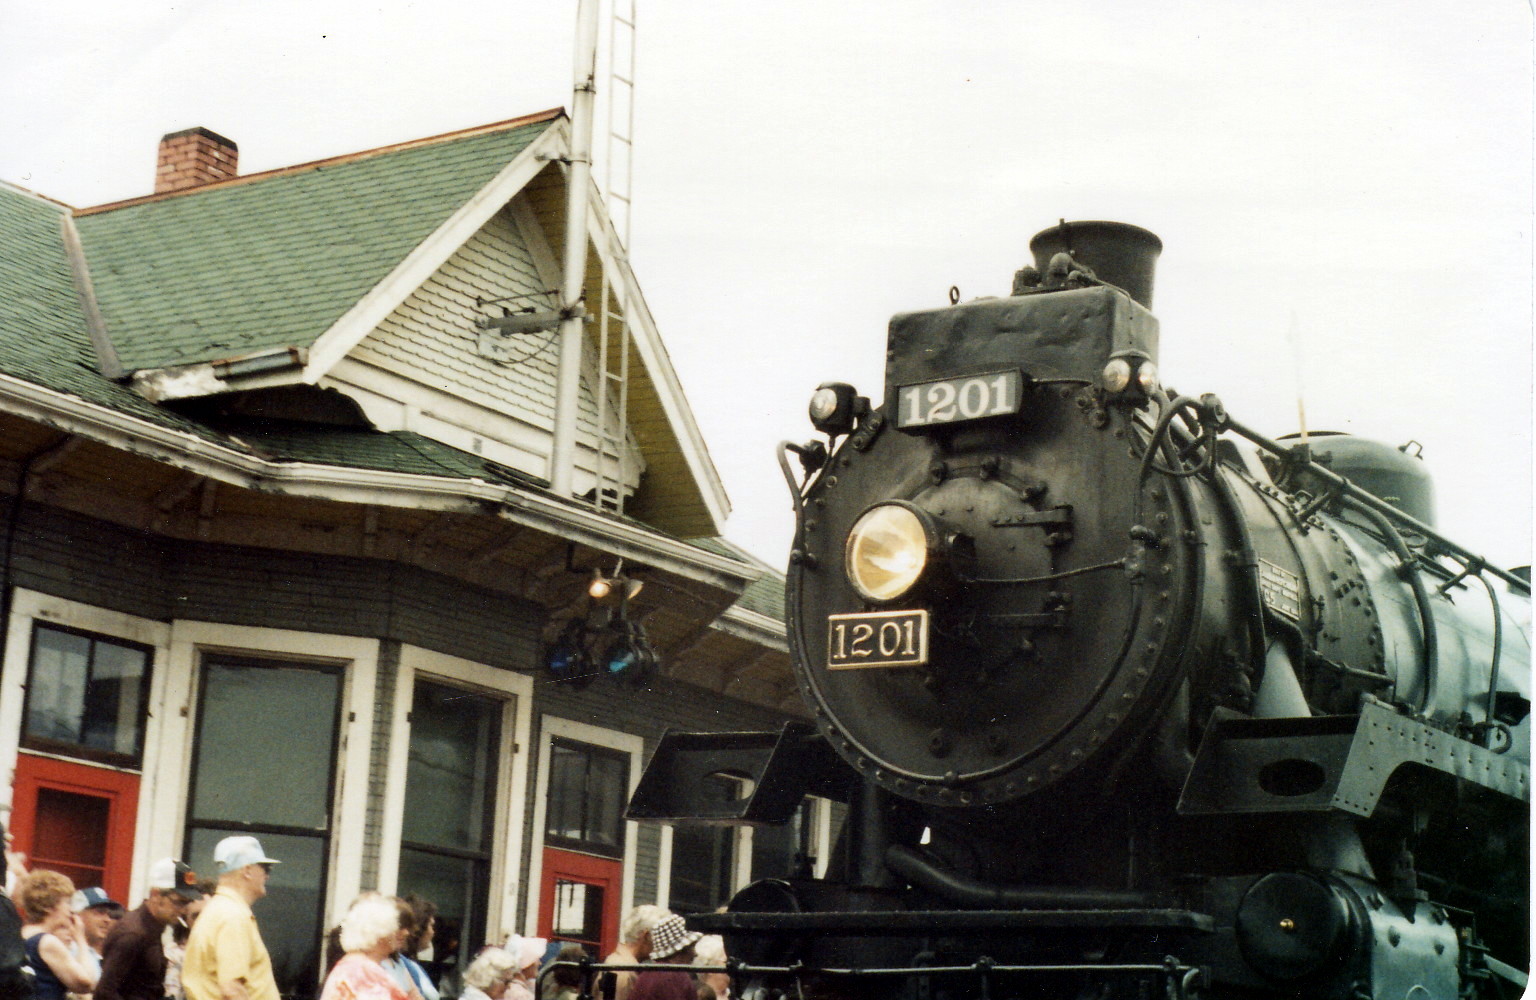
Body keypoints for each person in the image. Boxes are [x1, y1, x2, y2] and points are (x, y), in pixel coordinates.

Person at [180, 835, 281, 1000]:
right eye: (266, 868)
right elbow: (232, 989)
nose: (267, 876)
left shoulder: (217, 910)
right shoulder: (233, 916)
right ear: (247, 870)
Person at [94, 859, 202, 1000]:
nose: (182, 910)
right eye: (178, 902)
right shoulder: (133, 934)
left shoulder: (149, 929)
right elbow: (105, 992)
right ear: (155, 895)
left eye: (186, 903)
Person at [17, 871, 96, 1000]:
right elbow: (85, 984)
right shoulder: (46, 941)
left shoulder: (20, 934)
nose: (71, 910)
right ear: (48, 906)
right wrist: (81, 940)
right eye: (67, 903)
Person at [318, 895, 410, 1000]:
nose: (396, 934)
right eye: (393, 929)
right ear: (381, 936)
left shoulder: (352, 964)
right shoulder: (364, 972)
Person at [601, 905, 667, 1000]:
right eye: (661, 937)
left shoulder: (621, 964)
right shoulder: (623, 972)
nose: (663, 944)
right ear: (647, 936)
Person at [164, 880, 216, 1000]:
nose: (204, 920)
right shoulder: (174, 955)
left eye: (210, 914)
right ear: (185, 922)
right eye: (196, 916)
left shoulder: (232, 951)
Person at [628, 916, 698, 1000]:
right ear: (681, 949)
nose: (695, 954)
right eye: (692, 947)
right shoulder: (674, 977)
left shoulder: (648, 974)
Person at [67, 887, 123, 987]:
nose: (107, 920)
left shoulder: (106, 955)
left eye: (108, 914)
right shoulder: (67, 950)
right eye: (99, 913)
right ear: (77, 916)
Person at [393, 896, 438, 1000]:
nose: (432, 932)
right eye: (431, 926)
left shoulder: (409, 964)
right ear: (419, 928)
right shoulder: (399, 963)